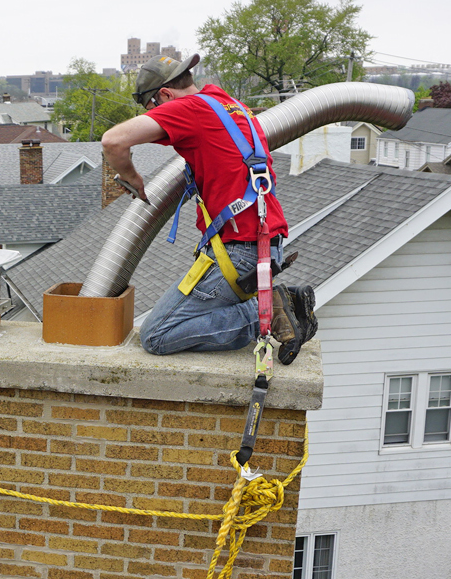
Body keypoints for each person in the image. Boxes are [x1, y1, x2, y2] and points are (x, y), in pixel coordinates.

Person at [101, 53, 317, 364]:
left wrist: (131, 176)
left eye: (151, 107)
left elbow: (113, 141)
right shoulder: (224, 103)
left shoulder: (187, 109)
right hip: (264, 240)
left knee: (157, 335)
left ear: (165, 94)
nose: (153, 115)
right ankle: (278, 305)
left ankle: (273, 311)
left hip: (239, 251)